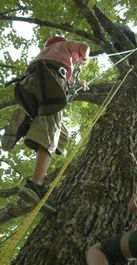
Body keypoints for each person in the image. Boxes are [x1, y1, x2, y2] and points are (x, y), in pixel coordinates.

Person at [2, 36, 90, 212]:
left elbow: (63, 77)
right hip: (50, 82)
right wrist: (84, 58)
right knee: (52, 128)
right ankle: (35, 184)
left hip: (31, 83)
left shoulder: (46, 53)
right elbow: (84, 47)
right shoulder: (65, 46)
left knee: (61, 135)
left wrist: (76, 82)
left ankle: (25, 120)